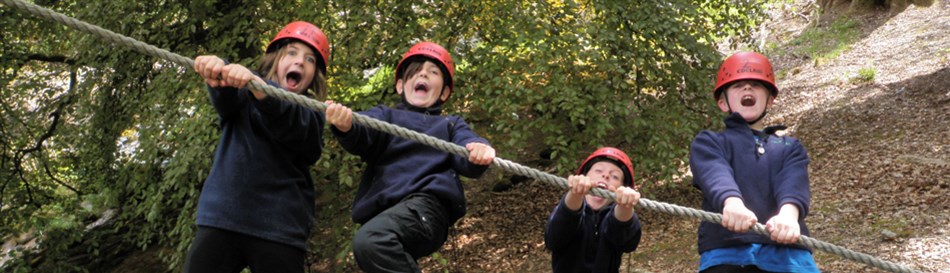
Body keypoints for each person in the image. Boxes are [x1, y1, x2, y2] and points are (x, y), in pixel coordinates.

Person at [324, 41, 496, 272]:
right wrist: (346, 125)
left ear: (444, 92)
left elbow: (466, 147)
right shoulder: (386, 116)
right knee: (372, 245)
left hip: (426, 207)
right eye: (416, 71)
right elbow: (363, 131)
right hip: (385, 216)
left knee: (371, 241)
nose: (423, 73)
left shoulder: (449, 124)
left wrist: (479, 148)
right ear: (400, 85)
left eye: (433, 72)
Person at [184, 21, 331, 273]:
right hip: (224, 217)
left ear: (314, 75)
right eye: (291, 52)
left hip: (280, 228)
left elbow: (294, 126)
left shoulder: (312, 112)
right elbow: (226, 98)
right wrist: (217, 70)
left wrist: (263, 90)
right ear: (274, 60)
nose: (299, 62)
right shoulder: (243, 95)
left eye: (310, 59)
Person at [689, 52, 820, 273]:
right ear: (723, 102)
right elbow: (715, 173)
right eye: (738, 85)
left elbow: (793, 183)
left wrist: (788, 217)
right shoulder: (710, 142)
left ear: (770, 100)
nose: (747, 89)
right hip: (729, 254)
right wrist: (732, 204)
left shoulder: (790, 147)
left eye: (756, 85)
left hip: (789, 256)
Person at [544, 147, 643, 273]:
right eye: (598, 170)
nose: (605, 175)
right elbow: (555, 235)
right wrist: (575, 193)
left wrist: (626, 205)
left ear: (621, 188)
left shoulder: (614, 216)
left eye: (615, 176)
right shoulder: (571, 207)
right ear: (585, 176)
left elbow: (625, 238)